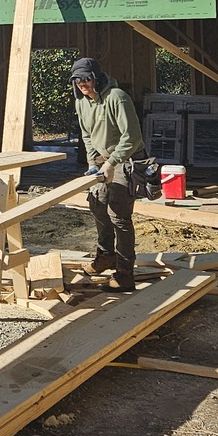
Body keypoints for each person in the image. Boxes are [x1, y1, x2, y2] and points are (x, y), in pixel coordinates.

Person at [71, 57, 145, 291]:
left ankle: (124, 272)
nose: (83, 84)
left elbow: (132, 137)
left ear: (96, 78)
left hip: (124, 159)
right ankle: (106, 256)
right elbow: (86, 135)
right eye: (78, 80)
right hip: (101, 162)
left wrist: (113, 162)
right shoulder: (81, 102)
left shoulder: (117, 97)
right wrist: (93, 160)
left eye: (87, 78)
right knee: (97, 205)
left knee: (118, 215)